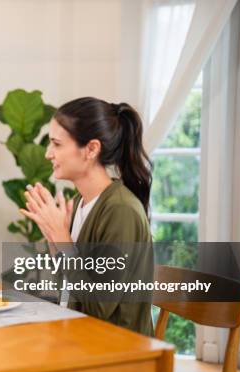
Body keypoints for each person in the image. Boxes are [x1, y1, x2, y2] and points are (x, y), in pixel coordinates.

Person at [21, 97, 154, 336]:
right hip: (76, 336)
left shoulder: (120, 211)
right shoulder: (84, 203)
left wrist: (63, 239)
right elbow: (71, 287)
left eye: (57, 144)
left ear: (91, 149)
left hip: (114, 352)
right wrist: (54, 240)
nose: (48, 154)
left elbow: (98, 307)